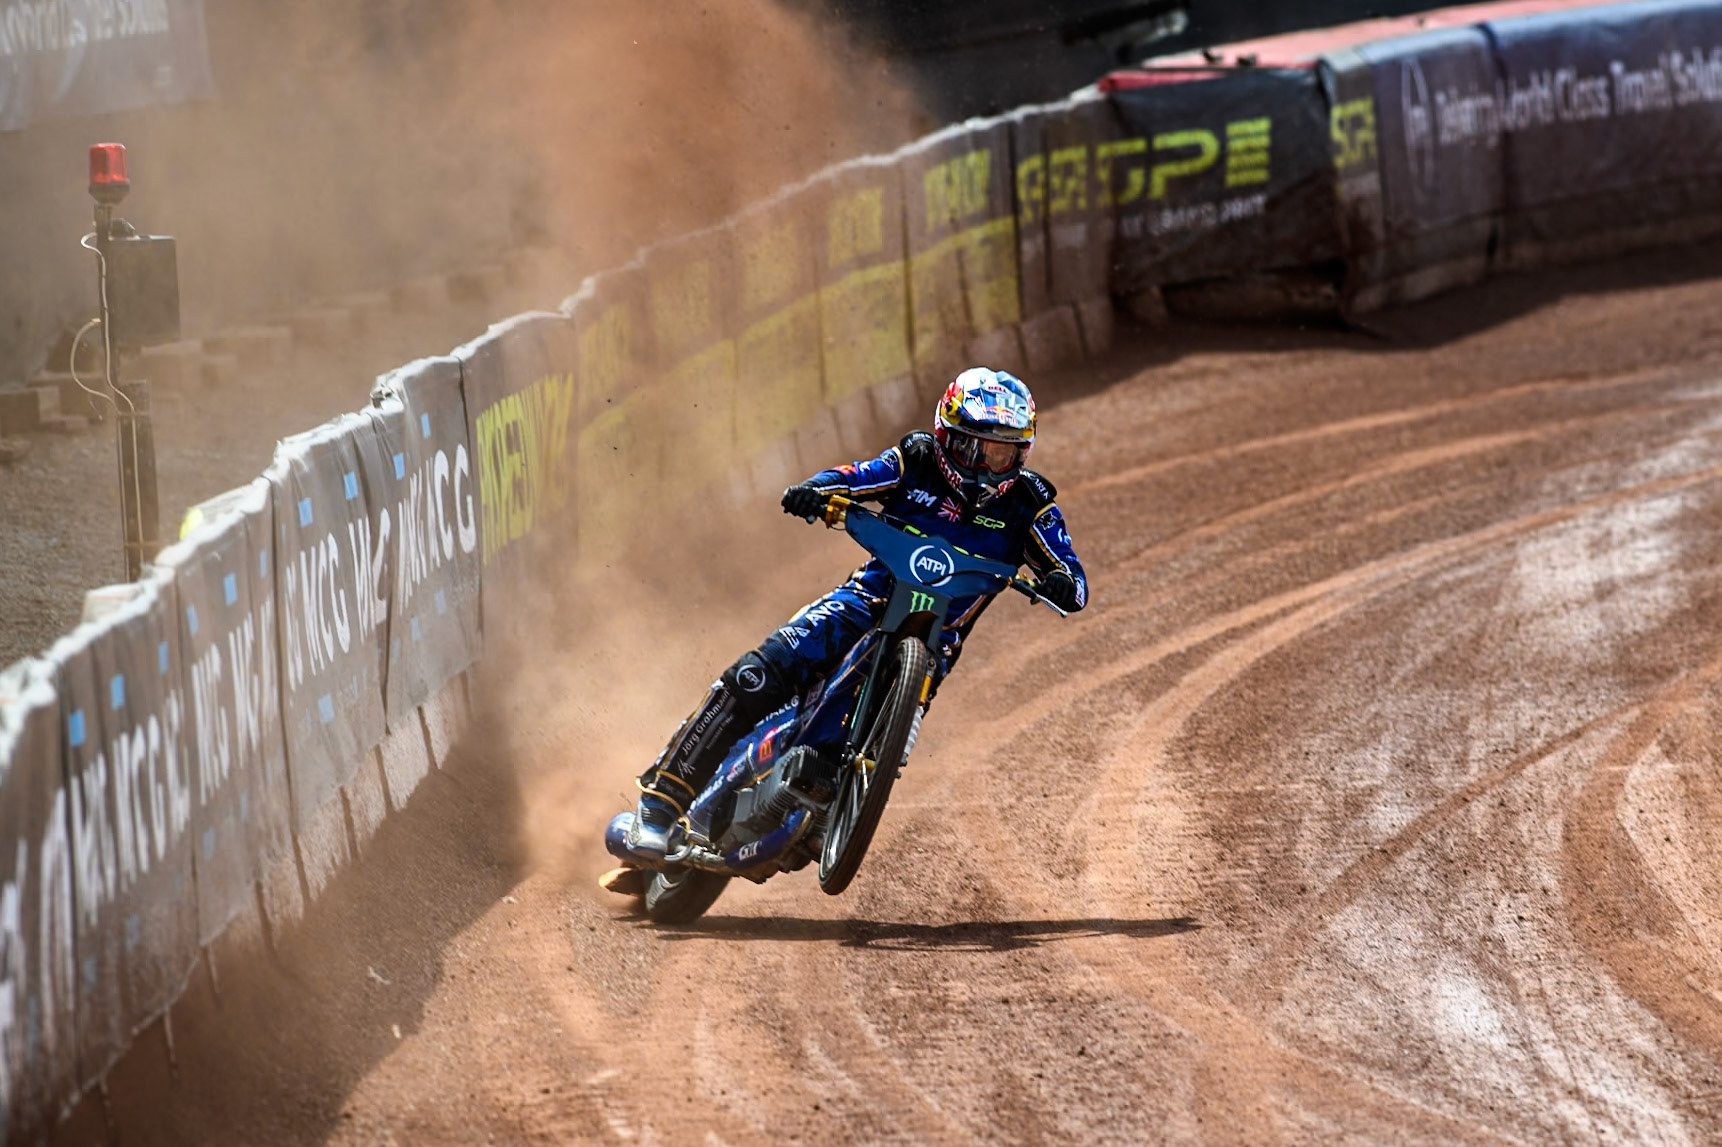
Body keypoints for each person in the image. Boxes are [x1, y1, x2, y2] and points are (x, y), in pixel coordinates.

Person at [627, 367, 1088, 859]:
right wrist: (815, 489)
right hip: (859, 605)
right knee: (756, 676)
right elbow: (853, 477)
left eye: (1003, 454)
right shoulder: (915, 461)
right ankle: (658, 806)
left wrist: (1060, 581)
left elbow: (1075, 579)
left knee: (894, 728)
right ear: (946, 437)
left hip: (935, 642)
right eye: (976, 449)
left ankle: (838, 805)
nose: (988, 466)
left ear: (1023, 452)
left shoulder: (1032, 504)